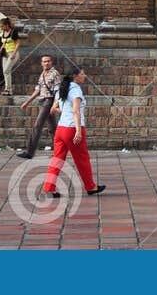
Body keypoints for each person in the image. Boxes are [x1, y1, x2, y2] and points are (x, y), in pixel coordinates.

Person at [41, 66, 106, 199]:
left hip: (61, 129)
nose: (84, 76)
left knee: (57, 159)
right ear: (75, 76)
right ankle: (90, 187)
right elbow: (76, 111)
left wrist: (65, 112)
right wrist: (78, 130)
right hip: (72, 129)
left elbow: (53, 109)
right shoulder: (76, 89)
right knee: (82, 159)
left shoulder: (62, 88)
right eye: (82, 73)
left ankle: (49, 188)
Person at [18, 55, 62, 158]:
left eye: (48, 61)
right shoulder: (43, 74)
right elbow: (38, 90)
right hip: (43, 101)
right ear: (41, 63)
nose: (46, 63)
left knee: (37, 126)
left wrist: (54, 105)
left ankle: (29, 152)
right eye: (44, 61)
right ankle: (59, 152)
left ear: (51, 62)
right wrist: (27, 102)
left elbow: (58, 91)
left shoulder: (55, 74)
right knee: (52, 128)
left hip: (49, 101)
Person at [0, 19, 22, 98]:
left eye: (2, 26)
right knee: (5, 71)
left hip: (12, 53)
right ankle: (7, 89)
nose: (1, 28)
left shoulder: (13, 32)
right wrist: (0, 51)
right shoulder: (3, 33)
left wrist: (14, 53)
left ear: (6, 25)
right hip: (5, 53)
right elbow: (4, 43)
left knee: (6, 70)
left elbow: (18, 43)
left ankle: (8, 89)